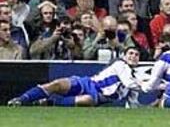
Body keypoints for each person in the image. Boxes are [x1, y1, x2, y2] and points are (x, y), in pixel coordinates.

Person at [7, 46, 143, 107]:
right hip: (88, 83)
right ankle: (21, 99)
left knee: (87, 100)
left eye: (136, 55)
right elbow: (129, 82)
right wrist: (153, 85)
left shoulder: (133, 78)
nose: (133, 57)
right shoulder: (120, 64)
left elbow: (133, 102)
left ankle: (50, 103)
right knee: (57, 84)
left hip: (97, 96)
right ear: (124, 56)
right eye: (130, 53)